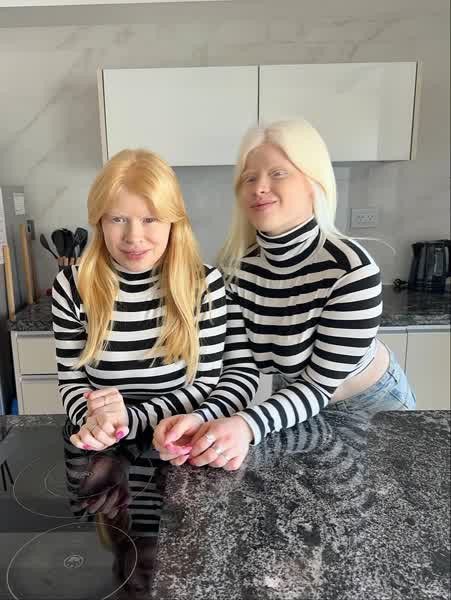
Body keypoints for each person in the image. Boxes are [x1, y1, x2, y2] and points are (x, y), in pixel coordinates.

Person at [153, 119, 416, 470]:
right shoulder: (236, 271)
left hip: (373, 406)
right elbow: (240, 370)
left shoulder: (352, 270)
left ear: (313, 183)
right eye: (249, 178)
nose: (259, 187)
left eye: (278, 173)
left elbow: (318, 387)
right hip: (294, 401)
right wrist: (202, 418)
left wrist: (245, 425)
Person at [51, 149, 227, 451]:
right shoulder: (71, 285)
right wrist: (95, 424)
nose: (134, 236)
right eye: (118, 219)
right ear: (100, 222)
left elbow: (206, 384)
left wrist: (129, 421)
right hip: (103, 441)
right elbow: (71, 381)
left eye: (150, 219)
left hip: (178, 440)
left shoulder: (203, 283)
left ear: (173, 222)